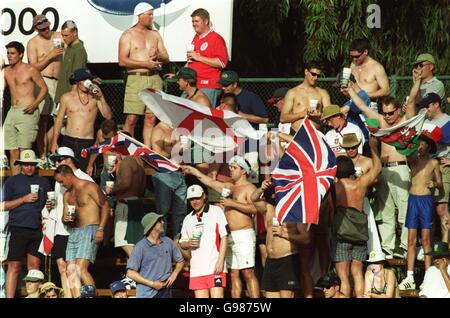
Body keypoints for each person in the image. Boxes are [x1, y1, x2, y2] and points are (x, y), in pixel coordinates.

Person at [345, 81, 416, 259]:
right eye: (385, 113)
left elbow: (413, 100)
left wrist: (417, 82)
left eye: (391, 113)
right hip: (383, 170)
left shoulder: (405, 122)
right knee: (385, 212)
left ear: (398, 110)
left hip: (400, 169)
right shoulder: (382, 122)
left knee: (404, 211)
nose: (388, 116)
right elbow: (362, 106)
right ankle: (388, 248)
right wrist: (349, 90)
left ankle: (406, 248)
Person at [181, 156, 260, 298]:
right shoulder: (229, 187)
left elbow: (256, 209)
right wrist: (193, 171)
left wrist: (232, 204)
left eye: (234, 168)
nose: (231, 170)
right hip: (229, 235)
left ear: (244, 171)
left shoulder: (250, 188)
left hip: (244, 234)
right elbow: (210, 182)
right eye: (230, 167)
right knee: (233, 274)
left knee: (248, 273)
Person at [332, 138, 382, 298]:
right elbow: (378, 167)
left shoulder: (335, 187)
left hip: (341, 233)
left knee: (343, 277)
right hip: (359, 233)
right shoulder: (361, 183)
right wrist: (373, 148)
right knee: (357, 273)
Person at [1, 150, 51, 298]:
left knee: (34, 267)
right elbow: (2, 205)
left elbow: (49, 204)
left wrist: (49, 205)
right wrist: (23, 199)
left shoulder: (43, 182)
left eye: (32, 165)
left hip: (36, 228)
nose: (29, 167)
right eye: (26, 164)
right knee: (14, 266)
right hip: (17, 228)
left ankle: (34, 296)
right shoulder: (12, 181)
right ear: (21, 165)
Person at [118, 2, 169, 146]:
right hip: (136, 79)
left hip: (154, 78)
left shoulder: (155, 34)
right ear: (139, 16)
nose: (152, 17)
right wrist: (145, 64)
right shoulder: (128, 34)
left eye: (152, 14)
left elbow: (166, 57)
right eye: (149, 14)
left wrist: (158, 55)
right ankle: (128, 150)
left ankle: (148, 151)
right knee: (132, 119)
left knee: (151, 118)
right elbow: (122, 61)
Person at [56, 164, 110, 298]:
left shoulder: (89, 186)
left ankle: (92, 296)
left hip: (90, 228)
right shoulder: (67, 195)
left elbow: (105, 206)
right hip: (74, 231)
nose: (61, 185)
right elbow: (64, 218)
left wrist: (101, 229)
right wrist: (65, 218)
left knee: (81, 268)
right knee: (70, 270)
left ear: (68, 175)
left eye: (61, 181)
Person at [47, 147, 94, 298]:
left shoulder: (84, 178)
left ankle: (84, 295)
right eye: (55, 161)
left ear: (69, 160)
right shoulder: (59, 178)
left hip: (78, 230)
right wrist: (50, 207)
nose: (56, 163)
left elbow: (96, 204)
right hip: (60, 227)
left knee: (75, 268)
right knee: (62, 267)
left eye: (59, 160)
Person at [398, 128, 443, 291]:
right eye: (420, 143)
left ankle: (427, 277)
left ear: (430, 147)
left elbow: (440, 183)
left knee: (425, 240)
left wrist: (435, 184)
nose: (421, 146)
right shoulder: (413, 159)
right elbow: (404, 150)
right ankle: (409, 276)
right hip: (413, 200)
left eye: (424, 144)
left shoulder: (433, 163)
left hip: (426, 201)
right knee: (411, 240)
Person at [251, 180, 309, 298]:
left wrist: (284, 234)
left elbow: (306, 239)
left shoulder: (297, 211)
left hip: (287, 260)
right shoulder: (269, 208)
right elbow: (254, 199)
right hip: (270, 261)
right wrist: (261, 188)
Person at [51, 68, 112, 171]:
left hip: (86, 141)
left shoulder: (95, 98)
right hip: (69, 139)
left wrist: (101, 97)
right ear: (77, 81)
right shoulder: (67, 97)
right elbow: (59, 120)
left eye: (88, 79)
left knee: (83, 172)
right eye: (84, 80)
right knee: (66, 172)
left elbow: (108, 116)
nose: (86, 82)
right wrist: (54, 141)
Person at [3, 41, 48, 175]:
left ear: (21, 54)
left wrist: (35, 104)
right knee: (12, 150)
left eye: (12, 53)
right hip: (12, 111)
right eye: (8, 53)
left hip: (28, 111)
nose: (9, 56)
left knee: (24, 151)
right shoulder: (6, 71)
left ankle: (25, 182)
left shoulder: (30, 69)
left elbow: (44, 88)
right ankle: (16, 181)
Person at [179, 185, 228, 298]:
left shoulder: (216, 211)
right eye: (191, 199)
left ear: (204, 196)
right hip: (197, 269)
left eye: (197, 198)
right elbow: (182, 242)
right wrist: (187, 243)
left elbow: (224, 236)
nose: (195, 201)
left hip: (215, 266)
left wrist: (220, 261)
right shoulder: (187, 219)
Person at [220, 70, 269, 182]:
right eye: (222, 85)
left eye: (226, 85)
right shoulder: (223, 97)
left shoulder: (250, 97)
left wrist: (240, 115)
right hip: (231, 145)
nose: (223, 87)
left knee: (251, 177)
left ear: (235, 84)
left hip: (250, 143)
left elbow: (264, 119)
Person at [27, 14, 64, 163]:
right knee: (42, 120)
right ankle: (42, 155)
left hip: (60, 82)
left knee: (61, 119)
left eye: (47, 26)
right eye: (42, 29)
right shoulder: (33, 43)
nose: (46, 30)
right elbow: (32, 67)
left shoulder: (59, 36)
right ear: (36, 29)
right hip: (43, 81)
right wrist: (50, 55)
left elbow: (75, 48)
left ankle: (49, 150)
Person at [127, 212, 185, 298]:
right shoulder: (141, 246)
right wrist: (152, 284)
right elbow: (130, 273)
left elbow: (181, 261)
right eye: (159, 221)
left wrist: (174, 274)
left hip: (165, 291)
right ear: (152, 225)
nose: (163, 222)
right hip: (146, 294)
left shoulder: (167, 242)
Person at [420, 93, 450, 245]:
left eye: (427, 106)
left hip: (442, 168)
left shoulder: (448, 121)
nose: (426, 109)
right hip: (426, 168)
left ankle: (445, 248)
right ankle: (429, 251)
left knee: (441, 209)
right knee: (428, 212)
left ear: (436, 104)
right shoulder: (424, 122)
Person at [105, 149, 146, 256]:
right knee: (133, 242)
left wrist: (111, 190)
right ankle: (131, 271)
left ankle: (138, 268)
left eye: (113, 151)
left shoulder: (126, 161)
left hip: (126, 205)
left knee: (123, 242)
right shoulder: (139, 162)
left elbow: (126, 184)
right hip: (136, 203)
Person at [150, 122, 187, 238]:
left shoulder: (179, 128)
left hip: (179, 174)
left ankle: (179, 244)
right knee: (163, 213)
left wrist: (183, 155)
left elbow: (183, 153)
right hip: (164, 174)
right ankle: (161, 245)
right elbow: (156, 154)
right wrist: (176, 150)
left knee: (180, 213)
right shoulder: (158, 130)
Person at [187, 8, 228, 106]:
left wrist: (199, 57)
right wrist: (179, 74)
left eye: (197, 21)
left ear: (205, 21)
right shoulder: (195, 38)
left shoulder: (216, 38)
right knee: (184, 115)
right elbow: (192, 61)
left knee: (203, 118)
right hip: (193, 84)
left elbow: (222, 63)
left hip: (208, 85)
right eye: (192, 21)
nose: (194, 24)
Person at [280, 61, 331, 133]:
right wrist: (302, 114)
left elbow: (330, 117)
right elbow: (282, 118)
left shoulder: (322, 93)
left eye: (318, 76)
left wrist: (319, 115)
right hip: (296, 134)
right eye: (313, 74)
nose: (316, 78)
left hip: (315, 135)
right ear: (306, 72)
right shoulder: (293, 92)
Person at [54, 20, 87, 105]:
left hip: (69, 99)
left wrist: (72, 100)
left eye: (66, 35)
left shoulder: (79, 50)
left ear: (75, 32)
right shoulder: (70, 47)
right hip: (63, 96)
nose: (64, 38)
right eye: (62, 35)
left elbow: (77, 78)